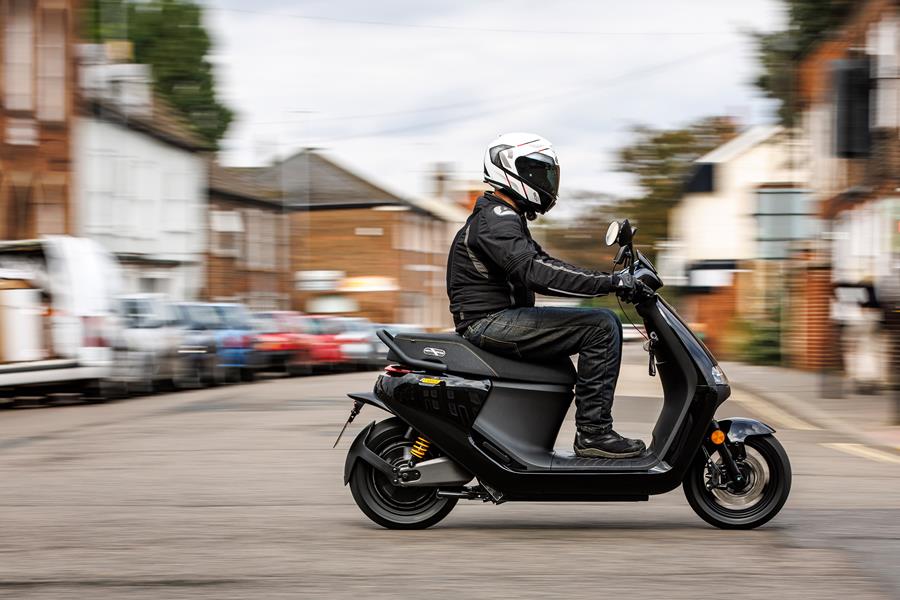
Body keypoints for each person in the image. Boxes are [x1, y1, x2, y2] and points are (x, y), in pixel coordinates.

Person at [446, 132, 648, 458]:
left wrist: (607, 280)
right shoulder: (496, 220)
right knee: (601, 326)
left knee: (588, 332)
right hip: (489, 322)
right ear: (513, 171)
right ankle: (594, 433)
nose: (546, 181)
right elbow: (536, 272)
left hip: (495, 318)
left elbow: (545, 267)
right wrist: (611, 283)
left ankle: (542, 441)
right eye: (539, 173)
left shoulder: (503, 217)